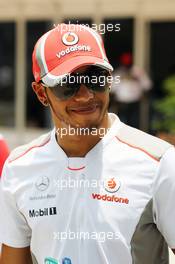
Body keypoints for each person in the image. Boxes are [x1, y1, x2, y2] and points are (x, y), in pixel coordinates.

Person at [0, 24, 175, 264]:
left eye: (95, 79)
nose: (85, 95)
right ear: (41, 93)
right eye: (68, 84)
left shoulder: (159, 162)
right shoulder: (19, 167)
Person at [110, 52, 152, 128]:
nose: (127, 66)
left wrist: (143, 95)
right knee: (121, 124)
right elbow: (112, 89)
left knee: (134, 124)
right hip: (121, 102)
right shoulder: (118, 72)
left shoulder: (138, 72)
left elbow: (147, 85)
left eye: (128, 64)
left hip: (134, 102)